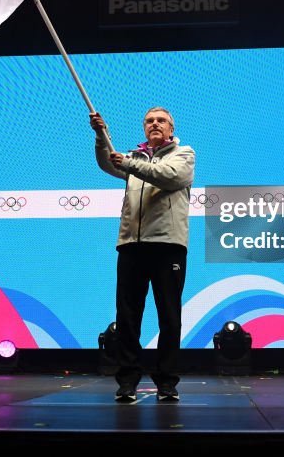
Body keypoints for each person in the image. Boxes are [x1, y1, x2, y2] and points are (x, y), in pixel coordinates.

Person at [90, 107, 195, 402]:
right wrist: (101, 136)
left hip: (168, 246)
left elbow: (169, 176)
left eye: (161, 121)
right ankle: (127, 382)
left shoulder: (184, 154)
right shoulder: (132, 158)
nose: (155, 124)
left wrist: (129, 163)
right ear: (144, 129)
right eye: (149, 121)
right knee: (127, 317)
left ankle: (167, 383)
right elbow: (107, 163)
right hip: (131, 246)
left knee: (169, 318)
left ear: (171, 129)